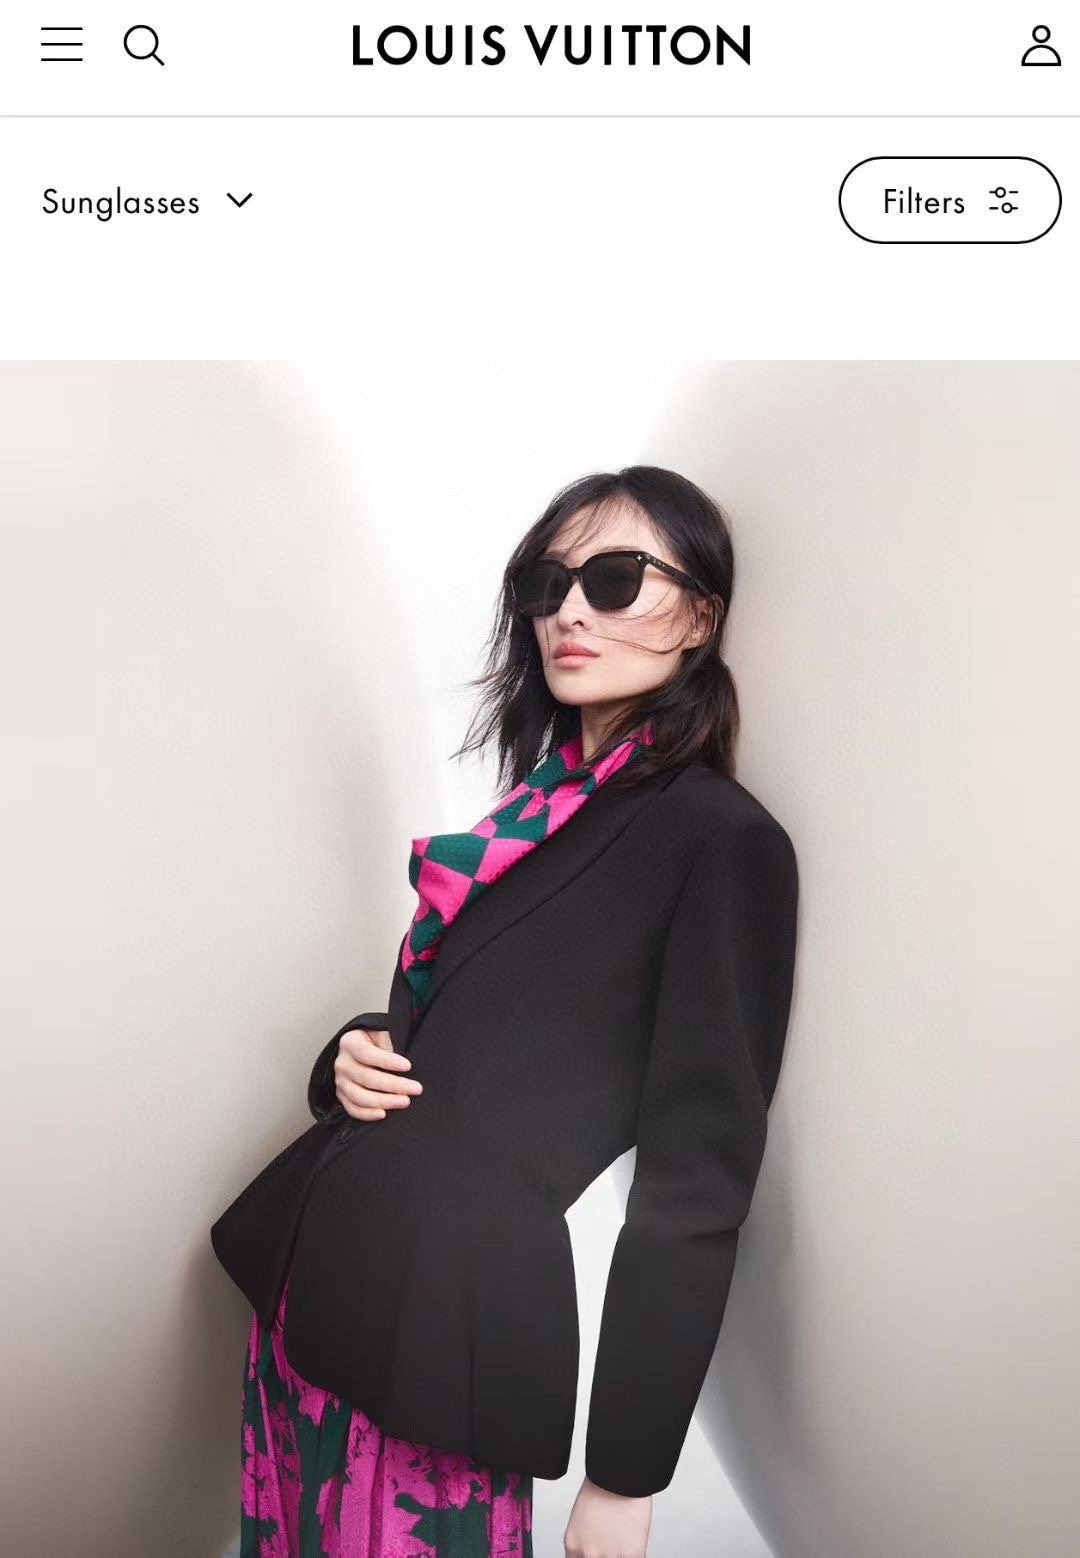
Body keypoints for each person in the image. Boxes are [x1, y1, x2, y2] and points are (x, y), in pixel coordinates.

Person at [211, 464, 800, 1556]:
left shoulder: (720, 841)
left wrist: (626, 1476)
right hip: (310, 1296)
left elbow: (696, 1184)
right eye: (547, 582)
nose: (569, 609)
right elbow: (467, 1040)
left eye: (615, 578)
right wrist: (350, 1054)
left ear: (699, 617)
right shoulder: (539, 810)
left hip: (437, 1341)